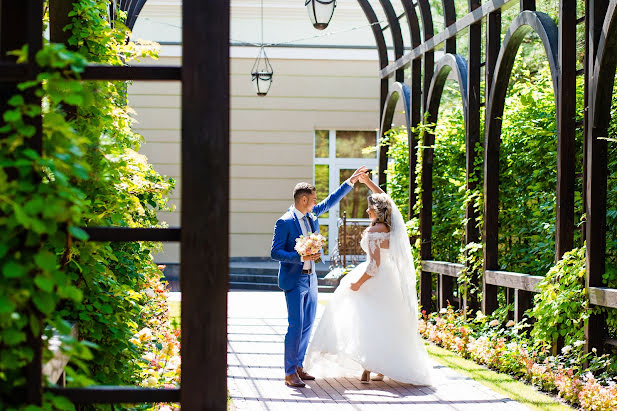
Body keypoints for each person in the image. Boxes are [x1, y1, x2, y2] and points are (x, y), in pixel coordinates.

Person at [304, 173, 433, 385]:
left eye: (370, 208)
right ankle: (381, 369)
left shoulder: (374, 231)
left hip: (373, 280)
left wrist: (357, 283)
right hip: (391, 281)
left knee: (364, 321)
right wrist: (368, 183)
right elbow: (385, 198)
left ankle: (367, 369)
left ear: (377, 211)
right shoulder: (392, 228)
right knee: (386, 323)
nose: (366, 210)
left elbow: (373, 267)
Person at [271, 166, 368, 388]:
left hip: (311, 278)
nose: (316, 202)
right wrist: (300, 254)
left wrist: (350, 182)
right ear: (304, 200)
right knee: (296, 325)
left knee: (307, 326)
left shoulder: (311, 215)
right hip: (294, 281)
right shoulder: (284, 222)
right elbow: (275, 252)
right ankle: (288, 373)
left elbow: (330, 202)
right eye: (313, 199)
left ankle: (298, 366)